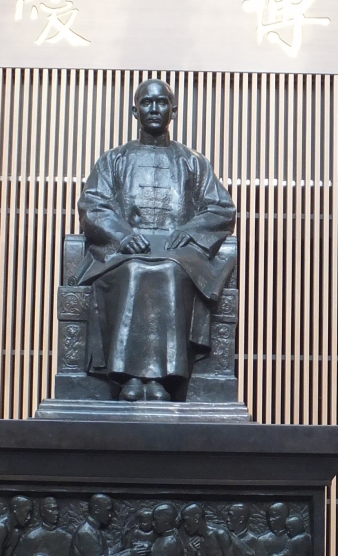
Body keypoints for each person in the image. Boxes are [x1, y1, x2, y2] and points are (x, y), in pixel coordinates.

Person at [76, 78, 237, 402]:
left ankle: (160, 380)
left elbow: (222, 208)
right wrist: (122, 235)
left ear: (173, 111)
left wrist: (189, 231)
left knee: (168, 271)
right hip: (124, 253)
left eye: (161, 102)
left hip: (179, 254)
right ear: (134, 110)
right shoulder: (113, 160)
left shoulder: (193, 161)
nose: (153, 108)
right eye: (146, 102)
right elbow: (92, 205)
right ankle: (131, 377)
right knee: (136, 269)